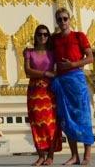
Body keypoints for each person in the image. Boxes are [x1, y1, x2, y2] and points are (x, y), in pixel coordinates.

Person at [51, 7, 94, 165]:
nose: (62, 22)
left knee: (83, 116)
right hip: (62, 81)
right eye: (59, 19)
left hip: (76, 78)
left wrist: (73, 64)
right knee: (67, 118)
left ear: (70, 20)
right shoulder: (54, 39)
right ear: (57, 21)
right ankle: (74, 155)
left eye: (65, 18)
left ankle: (87, 155)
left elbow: (90, 58)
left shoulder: (79, 36)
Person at [24, 24, 62, 166]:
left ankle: (50, 156)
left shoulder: (52, 53)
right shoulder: (29, 52)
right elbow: (28, 71)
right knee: (36, 123)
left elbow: (58, 69)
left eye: (46, 34)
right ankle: (40, 155)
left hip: (49, 90)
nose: (43, 37)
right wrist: (45, 73)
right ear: (35, 36)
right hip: (34, 91)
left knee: (50, 123)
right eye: (40, 34)